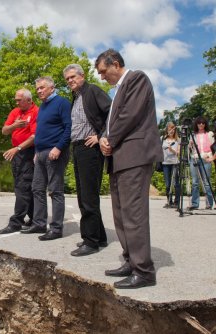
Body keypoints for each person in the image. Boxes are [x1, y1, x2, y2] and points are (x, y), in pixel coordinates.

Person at [96, 49, 163, 289]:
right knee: (121, 215)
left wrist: (110, 139)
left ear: (115, 64)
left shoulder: (136, 79)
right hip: (119, 158)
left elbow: (129, 116)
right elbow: (113, 120)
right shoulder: (117, 92)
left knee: (133, 215)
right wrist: (104, 137)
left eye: (104, 72)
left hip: (135, 156)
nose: (103, 77)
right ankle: (130, 261)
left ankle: (143, 271)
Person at [63, 64, 111, 256]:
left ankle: (90, 242)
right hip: (78, 148)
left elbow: (112, 112)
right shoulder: (75, 98)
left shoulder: (92, 91)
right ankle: (99, 236)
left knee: (88, 197)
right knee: (84, 194)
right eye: (67, 79)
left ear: (82, 76)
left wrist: (101, 136)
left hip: (90, 148)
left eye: (73, 76)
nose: (70, 81)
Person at [21, 76, 71, 241]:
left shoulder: (62, 103)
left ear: (52, 87)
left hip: (55, 152)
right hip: (41, 153)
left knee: (55, 191)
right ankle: (39, 223)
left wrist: (59, 147)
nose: (39, 91)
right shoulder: (43, 107)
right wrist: (37, 151)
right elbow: (41, 132)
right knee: (37, 189)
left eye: (42, 88)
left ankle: (56, 228)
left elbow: (68, 128)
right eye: (37, 89)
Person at [0, 88, 39, 234]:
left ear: (28, 100)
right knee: (22, 185)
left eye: (19, 100)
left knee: (22, 187)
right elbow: (4, 130)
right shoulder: (15, 112)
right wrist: (14, 126)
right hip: (16, 153)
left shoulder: (36, 112)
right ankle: (35, 218)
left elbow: (35, 136)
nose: (16, 102)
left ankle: (16, 221)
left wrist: (19, 149)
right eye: (15, 99)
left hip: (28, 152)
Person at [187, 116, 214, 210]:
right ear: (196, 124)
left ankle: (209, 203)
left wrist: (211, 157)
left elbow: (214, 147)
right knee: (195, 182)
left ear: (205, 124)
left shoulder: (210, 134)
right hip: (195, 158)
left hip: (205, 158)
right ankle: (195, 204)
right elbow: (189, 149)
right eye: (199, 123)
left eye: (203, 123)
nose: (201, 125)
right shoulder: (193, 134)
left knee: (206, 182)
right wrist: (190, 145)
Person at [161, 122, 181, 208]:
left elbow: (178, 153)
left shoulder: (178, 139)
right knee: (168, 184)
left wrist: (171, 150)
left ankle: (176, 202)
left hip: (175, 163)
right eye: (170, 129)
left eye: (173, 129)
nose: (171, 131)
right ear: (167, 130)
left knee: (176, 183)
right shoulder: (162, 138)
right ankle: (169, 201)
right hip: (165, 163)